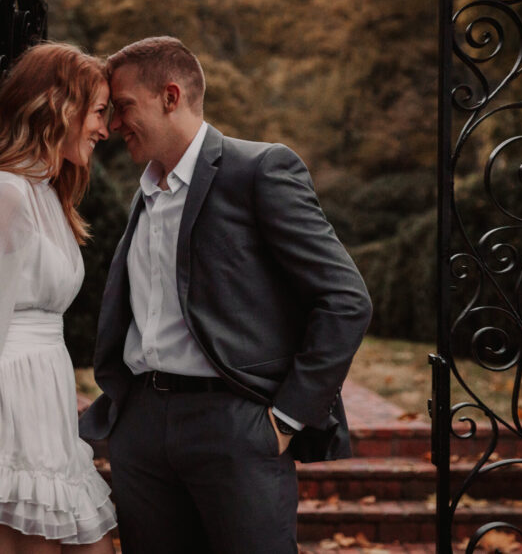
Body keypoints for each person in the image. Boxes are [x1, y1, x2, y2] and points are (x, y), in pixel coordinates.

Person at [79, 36, 373, 554]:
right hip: (141, 429)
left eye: (124, 107)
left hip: (234, 426)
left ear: (170, 97)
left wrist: (284, 421)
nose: (115, 125)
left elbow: (345, 299)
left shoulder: (260, 169)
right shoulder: (144, 193)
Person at [0, 42, 116, 554]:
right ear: (60, 107)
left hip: (46, 398)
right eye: (98, 112)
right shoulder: (3, 193)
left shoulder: (48, 194)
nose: (105, 128)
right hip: (5, 402)